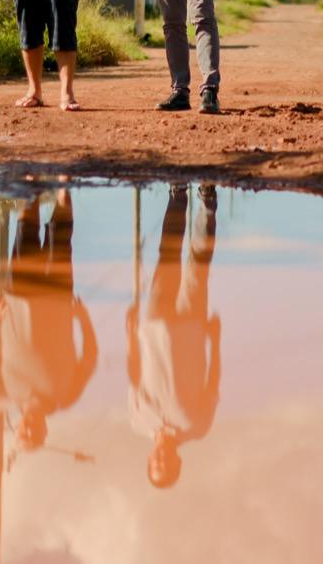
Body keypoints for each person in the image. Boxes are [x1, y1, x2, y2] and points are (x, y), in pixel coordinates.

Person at [0, 188, 99, 454]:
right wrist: (83, 319)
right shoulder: (65, 398)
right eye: (34, 435)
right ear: (45, 430)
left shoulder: (6, 394)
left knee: (26, 232)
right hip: (58, 301)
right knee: (60, 237)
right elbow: (89, 359)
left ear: (18, 427)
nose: (29, 430)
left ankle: (31, 184)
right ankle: (62, 188)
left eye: (24, 434)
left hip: (17, 298)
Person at [127, 183, 221, 489]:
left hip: (154, 326)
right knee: (198, 264)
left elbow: (134, 376)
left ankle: (177, 195)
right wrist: (215, 341)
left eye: (156, 465)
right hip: (192, 328)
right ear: (178, 462)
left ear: (149, 460)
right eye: (166, 466)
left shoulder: (138, 422)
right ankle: (207, 202)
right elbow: (213, 382)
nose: (161, 460)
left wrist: (130, 335)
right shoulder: (197, 427)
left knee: (167, 255)